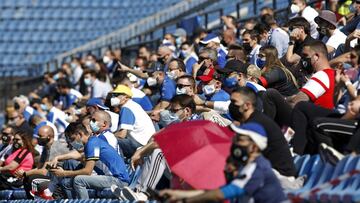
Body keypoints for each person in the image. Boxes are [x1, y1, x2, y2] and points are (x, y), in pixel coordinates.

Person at [159, 122, 286, 203]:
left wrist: (187, 200)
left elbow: (222, 194)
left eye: (240, 140)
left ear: (254, 147)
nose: (235, 143)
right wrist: (177, 194)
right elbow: (218, 191)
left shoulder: (258, 167)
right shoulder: (245, 166)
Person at [50, 122, 130, 199]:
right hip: (112, 179)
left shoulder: (92, 143)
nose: (71, 143)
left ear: (80, 134)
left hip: (118, 180)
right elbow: (78, 154)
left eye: (72, 139)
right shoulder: (92, 142)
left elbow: (87, 171)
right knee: (66, 183)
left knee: (79, 180)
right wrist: (57, 158)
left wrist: (63, 173)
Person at [229, 87, 296, 178]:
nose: (231, 105)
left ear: (247, 105)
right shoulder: (255, 119)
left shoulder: (256, 125)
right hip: (272, 171)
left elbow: (245, 155)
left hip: (280, 175)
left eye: (234, 102)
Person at [16, 125, 69, 199]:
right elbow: (39, 168)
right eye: (38, 135)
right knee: (27, 179)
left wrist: (25, 173)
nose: (38, 138)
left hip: (60, 180)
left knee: (33, 180)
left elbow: (44, 171)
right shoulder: (46, 148)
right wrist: (24, 173)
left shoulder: (55, 148)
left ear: (49, 137)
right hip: (51, 177)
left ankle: (48, 198)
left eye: (40, 136)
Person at [287, 41, 336, 109]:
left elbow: (296, 102)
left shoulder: (321, 75)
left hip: (313, 118)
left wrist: (284, 101)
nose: (303, 59)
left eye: (305, 55)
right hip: (319, 116)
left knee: (272, 94)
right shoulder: (333, 74)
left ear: (316, 56)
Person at [111, 85, 155, 158]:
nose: (113, 97)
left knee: (109, 140)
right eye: (113, 95)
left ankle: (120, 166)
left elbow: (122, 134)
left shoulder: (126, 108)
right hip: (146, 143)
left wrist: (108, 135)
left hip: (140, 144)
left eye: (117, 95)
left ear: (126, 97)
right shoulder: (133, 105)